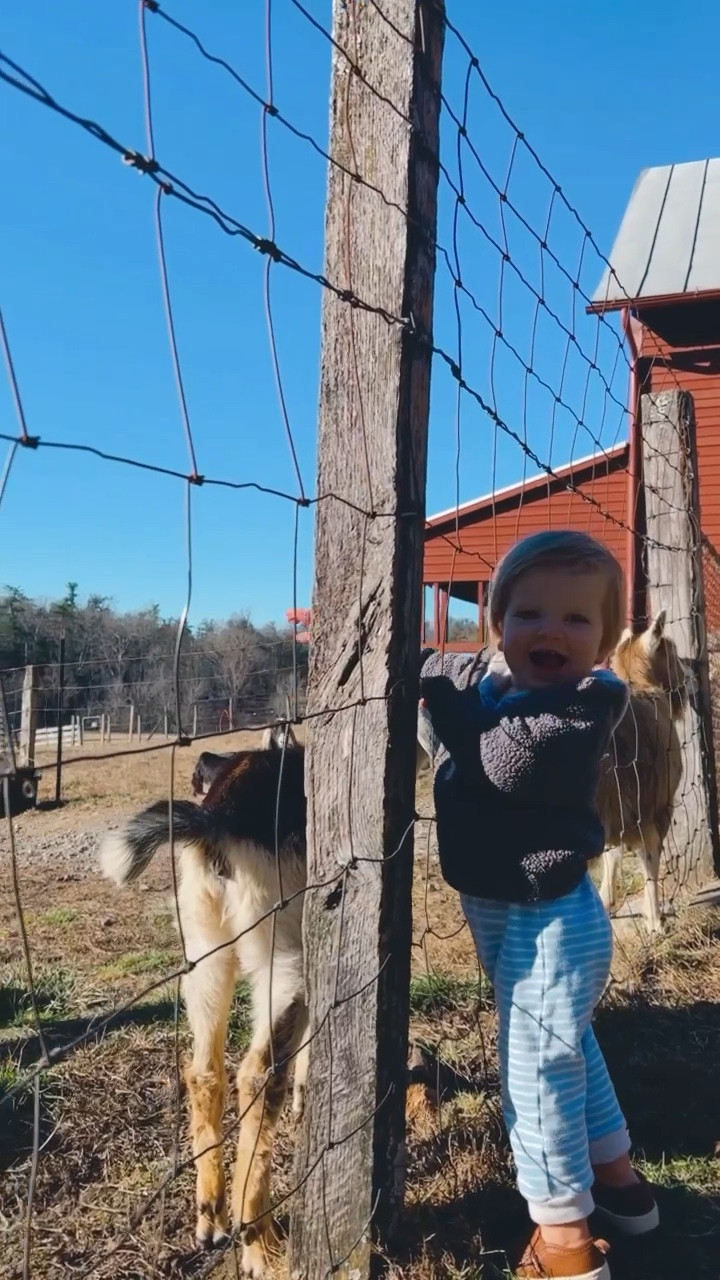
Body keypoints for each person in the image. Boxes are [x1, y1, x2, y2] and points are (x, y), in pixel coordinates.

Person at [420, 530, 659, 1280]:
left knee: (534, 1073)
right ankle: (620, 1185)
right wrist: (435, 668)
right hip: (515, 919)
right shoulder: (499, 687)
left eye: (576, 621)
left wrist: (429, 686)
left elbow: (500, 762)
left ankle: (564, 1242)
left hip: (551, 924)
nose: (550, 631)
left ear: (608, 642)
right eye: (529, 615)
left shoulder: (584, 707)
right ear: (499, 625)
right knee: (570, 1049)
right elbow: (462, 685)